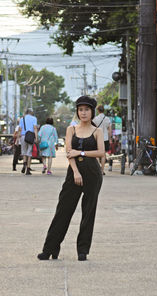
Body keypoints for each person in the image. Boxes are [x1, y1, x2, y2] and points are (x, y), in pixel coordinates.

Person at [37, 96, 105, 261]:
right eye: (80, 110)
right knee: (63, 210)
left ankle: (83, 250)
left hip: (93, 173)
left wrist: (81, 152)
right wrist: (75, 172)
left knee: (88, 212)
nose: (83, 113)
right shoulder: (71, 129)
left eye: (87, 110)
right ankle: (50, 248)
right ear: (77, 112)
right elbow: (69, 152)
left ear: (92, 112)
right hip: (74, 172)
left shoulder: (97, 131)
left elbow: (101, 153)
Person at [93, 105, 112, 175]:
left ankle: (98, 169)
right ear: (103, 110)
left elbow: (93, 129)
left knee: (97, 154)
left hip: (97, 138)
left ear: (98, 110)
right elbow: (109, 130)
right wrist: (110, 138)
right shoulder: (107, 119)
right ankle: (102, 170)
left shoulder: (95, 119)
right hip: (105, 138)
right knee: (103, 154)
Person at [18, 108, 38, 175]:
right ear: (31, 112)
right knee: (29, 153)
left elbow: (20, 129)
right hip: (30, 136)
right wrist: (36, 137)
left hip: (23, 136)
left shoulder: (22, 119)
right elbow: (35, 128)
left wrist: (18, 139)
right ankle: (28, 169)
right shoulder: (34, 118)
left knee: (24, 152)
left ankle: (24, 164)